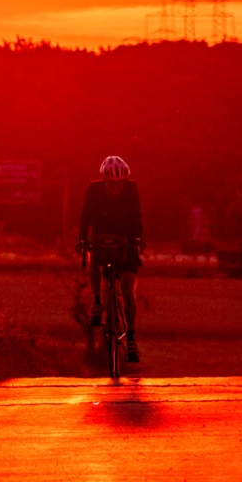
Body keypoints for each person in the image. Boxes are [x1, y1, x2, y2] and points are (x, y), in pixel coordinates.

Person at [77, 154, 142, 364]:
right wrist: (81, 239)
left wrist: (138, 239)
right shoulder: (93, 190)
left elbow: (137, 217)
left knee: (127, 288)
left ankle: (131, 336)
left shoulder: (131, 190)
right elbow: (85, 216)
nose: (116, 189)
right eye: (112, 185)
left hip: (125, 239)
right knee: (93, 255)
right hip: (102, 238)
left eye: (120, 184)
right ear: (104, 181)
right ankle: (97, 301)